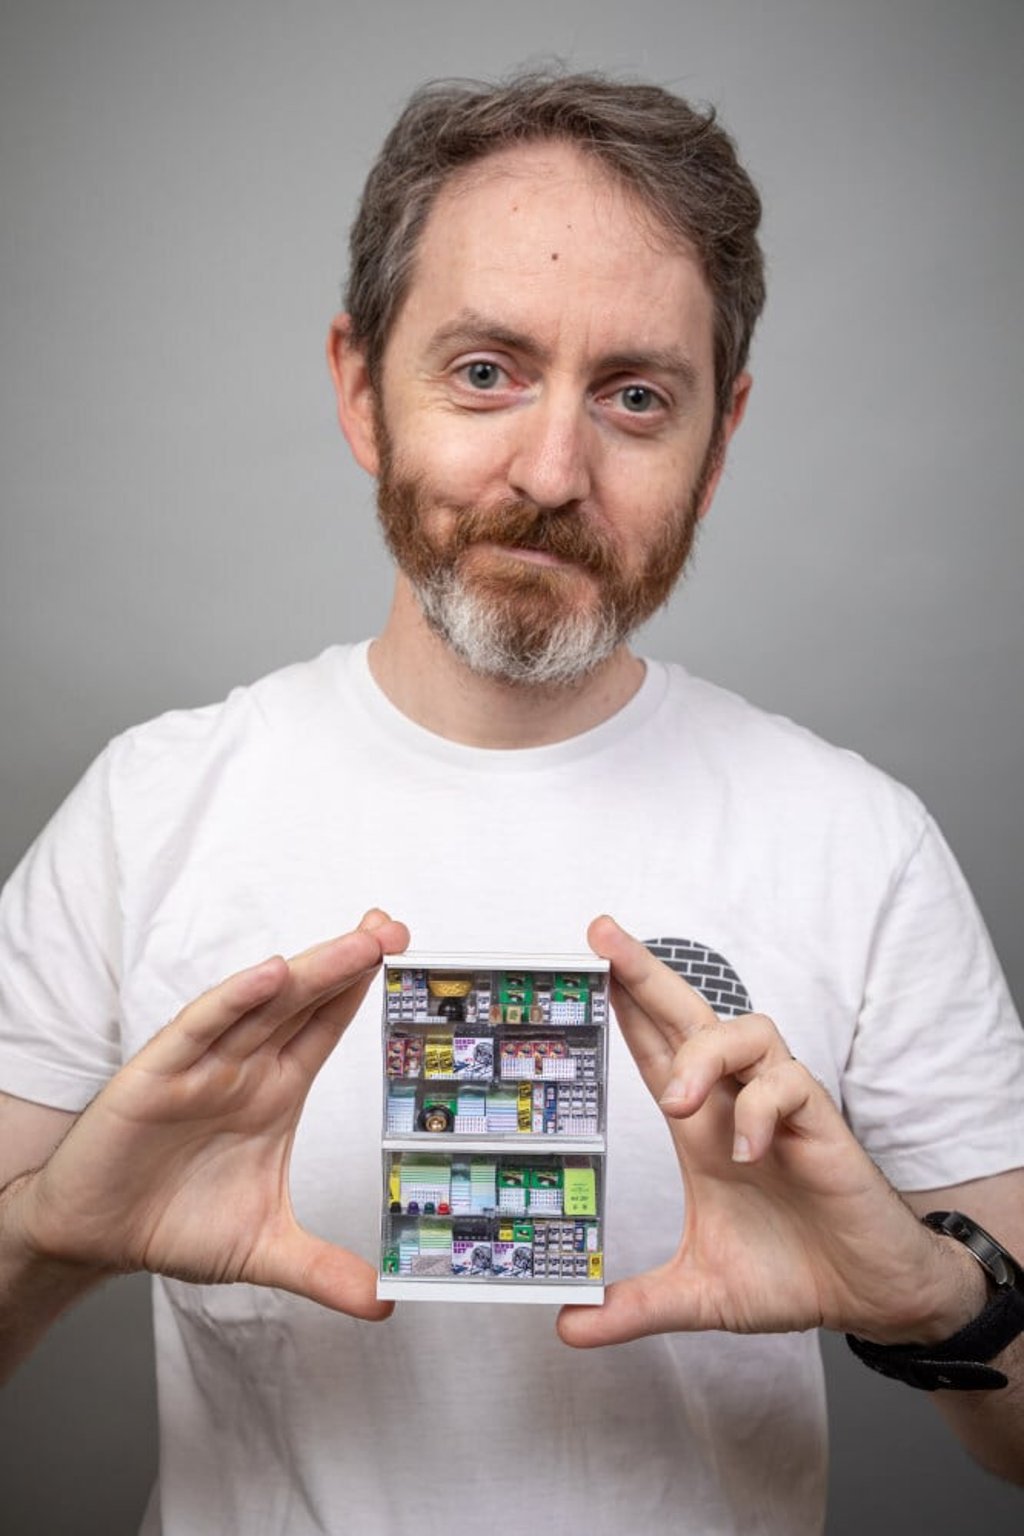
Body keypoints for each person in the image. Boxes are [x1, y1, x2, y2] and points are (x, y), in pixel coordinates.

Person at [1, 70, 1022, 1535]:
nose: (551, 472)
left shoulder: (858, 840)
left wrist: (934, 1298)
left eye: (635, 396)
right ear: (363, 390)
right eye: (486, 371)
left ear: (719, 445)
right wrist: (45, 1242)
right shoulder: (149, 805)